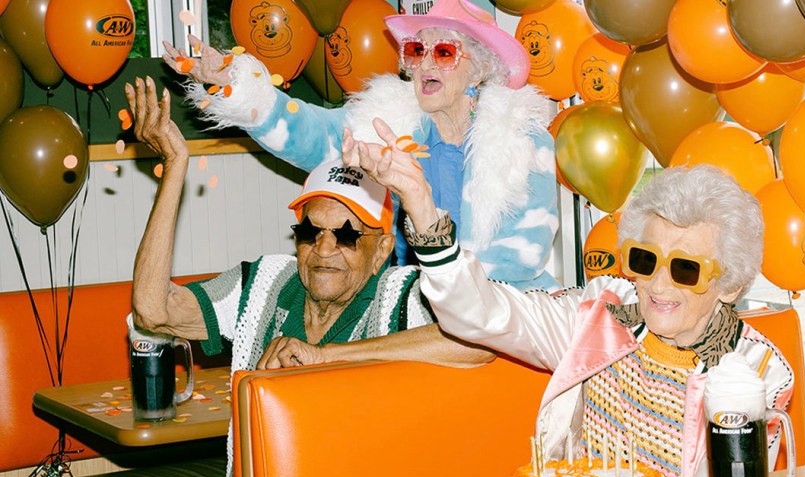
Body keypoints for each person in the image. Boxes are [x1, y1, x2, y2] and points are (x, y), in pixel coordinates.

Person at [344, 137, 794, 477]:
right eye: (645, 259)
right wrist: (421, 204)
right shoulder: (599, 314)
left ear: (730, 284)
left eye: (686, 269)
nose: (657, 284)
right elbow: (482, 312)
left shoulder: (756, 372)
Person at [161, 0, 560, 291]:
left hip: (505, 312)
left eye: (443, 52)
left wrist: (444, 300)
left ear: (480, 67)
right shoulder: (387, 121)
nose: (424, 64)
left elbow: (518, 261)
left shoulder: (522, 140)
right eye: (416, 51)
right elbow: (313, 133)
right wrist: (234, 84)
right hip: (412, 306)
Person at [127, 76, 492, 375]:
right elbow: (153, 311)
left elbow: (475, 341)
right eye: (309, 232)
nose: (324, 248)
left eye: (347, 235)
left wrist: (327, 356)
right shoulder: (264, 284)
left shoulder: (401, 295)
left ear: (382, 249)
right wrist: (175, 165)